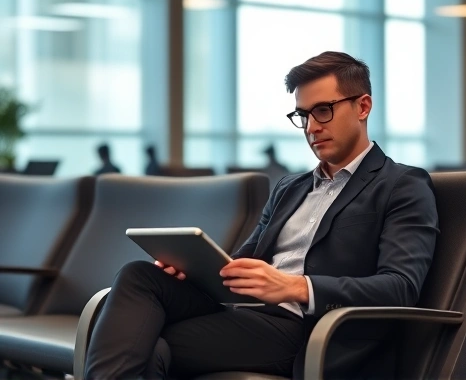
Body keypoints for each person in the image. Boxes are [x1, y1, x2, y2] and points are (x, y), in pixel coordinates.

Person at [84, 51, 438, 379]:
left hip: (309, 329)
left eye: (324, 110)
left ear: (363, 106)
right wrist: (192, 271)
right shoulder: (290, 187)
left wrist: (296, 287)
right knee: (139, 276)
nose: (312, 127)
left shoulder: (402, 185)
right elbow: (244, 260)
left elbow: (400, 287)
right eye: (304, 114)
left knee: (143, 345)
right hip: (246, 313)